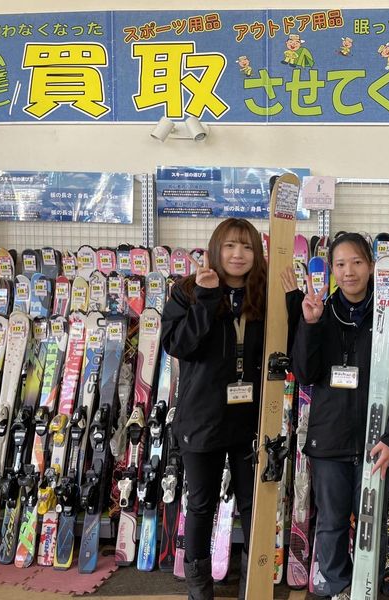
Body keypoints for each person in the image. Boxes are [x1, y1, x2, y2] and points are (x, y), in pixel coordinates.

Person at [291, 232, 389, 600]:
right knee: (330, 522)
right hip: (330, 439)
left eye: (357, 262)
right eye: (341, 264)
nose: (349, 272)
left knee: (371, 523)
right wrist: (310, 325)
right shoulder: (320, 312)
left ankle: (366, 587)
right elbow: (305, 373)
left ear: (371, 266)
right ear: (332, 270)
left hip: (376, 441)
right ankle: (337, 587)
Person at [161, 218, 268, 600]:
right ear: (216, 250)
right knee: (201, 505)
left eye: (247, 247)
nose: (238, 254)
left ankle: (253, 587)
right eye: (230, 246)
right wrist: (206, 300)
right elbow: (179, 347)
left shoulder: (263, 296)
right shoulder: (187, 291)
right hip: (201, 418)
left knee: (253, 506)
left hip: (249, 420)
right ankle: (199, 591)